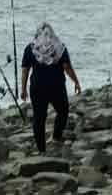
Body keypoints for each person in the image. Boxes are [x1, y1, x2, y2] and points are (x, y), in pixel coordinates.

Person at [20, 22, 82, 153]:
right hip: (57, 87)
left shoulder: (31, 49)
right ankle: (56, 137)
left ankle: (41, 150)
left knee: (39, 119)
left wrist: (23, 89)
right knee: (63, 111)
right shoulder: (59, 48)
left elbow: (25, 70)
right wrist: (76, 81)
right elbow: (67, 67)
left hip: (37, 88)